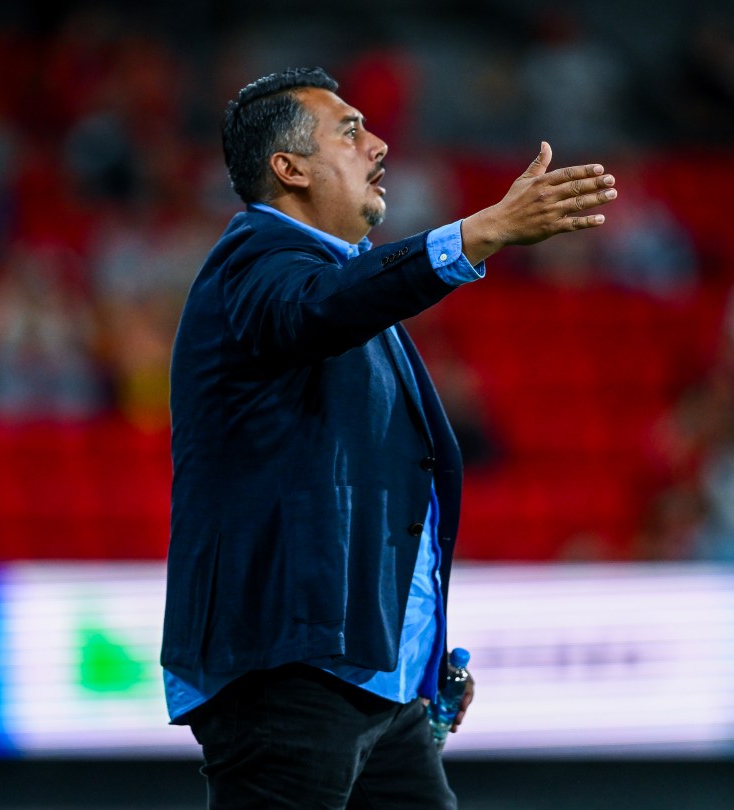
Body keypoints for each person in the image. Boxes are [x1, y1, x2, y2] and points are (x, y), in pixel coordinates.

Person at [161, 67, 617, 809]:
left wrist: (423, 656)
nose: (378, 145)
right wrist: (481, 232)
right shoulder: (255, 258)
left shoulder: (347, 283)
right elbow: (314, 310)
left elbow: (386, 489)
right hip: (289, 669)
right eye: (350, 132)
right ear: (290, 168)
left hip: (379, 684)